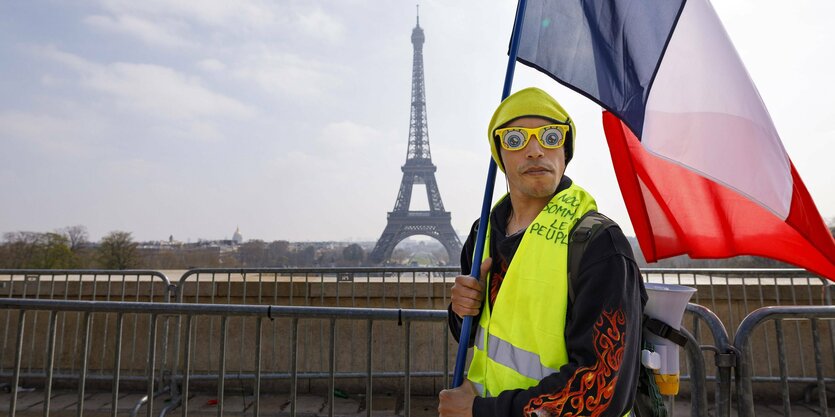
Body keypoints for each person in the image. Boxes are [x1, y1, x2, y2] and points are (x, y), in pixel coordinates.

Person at [438, 87, 647, 417]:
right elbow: (476, 338)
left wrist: (481, 411)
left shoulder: (598, 244)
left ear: (565, 151)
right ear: (499, 155)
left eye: (550, 136)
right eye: (515, 139)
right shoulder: (482, 236)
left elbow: (602, 390)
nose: (535, 150)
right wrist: (462, 310)